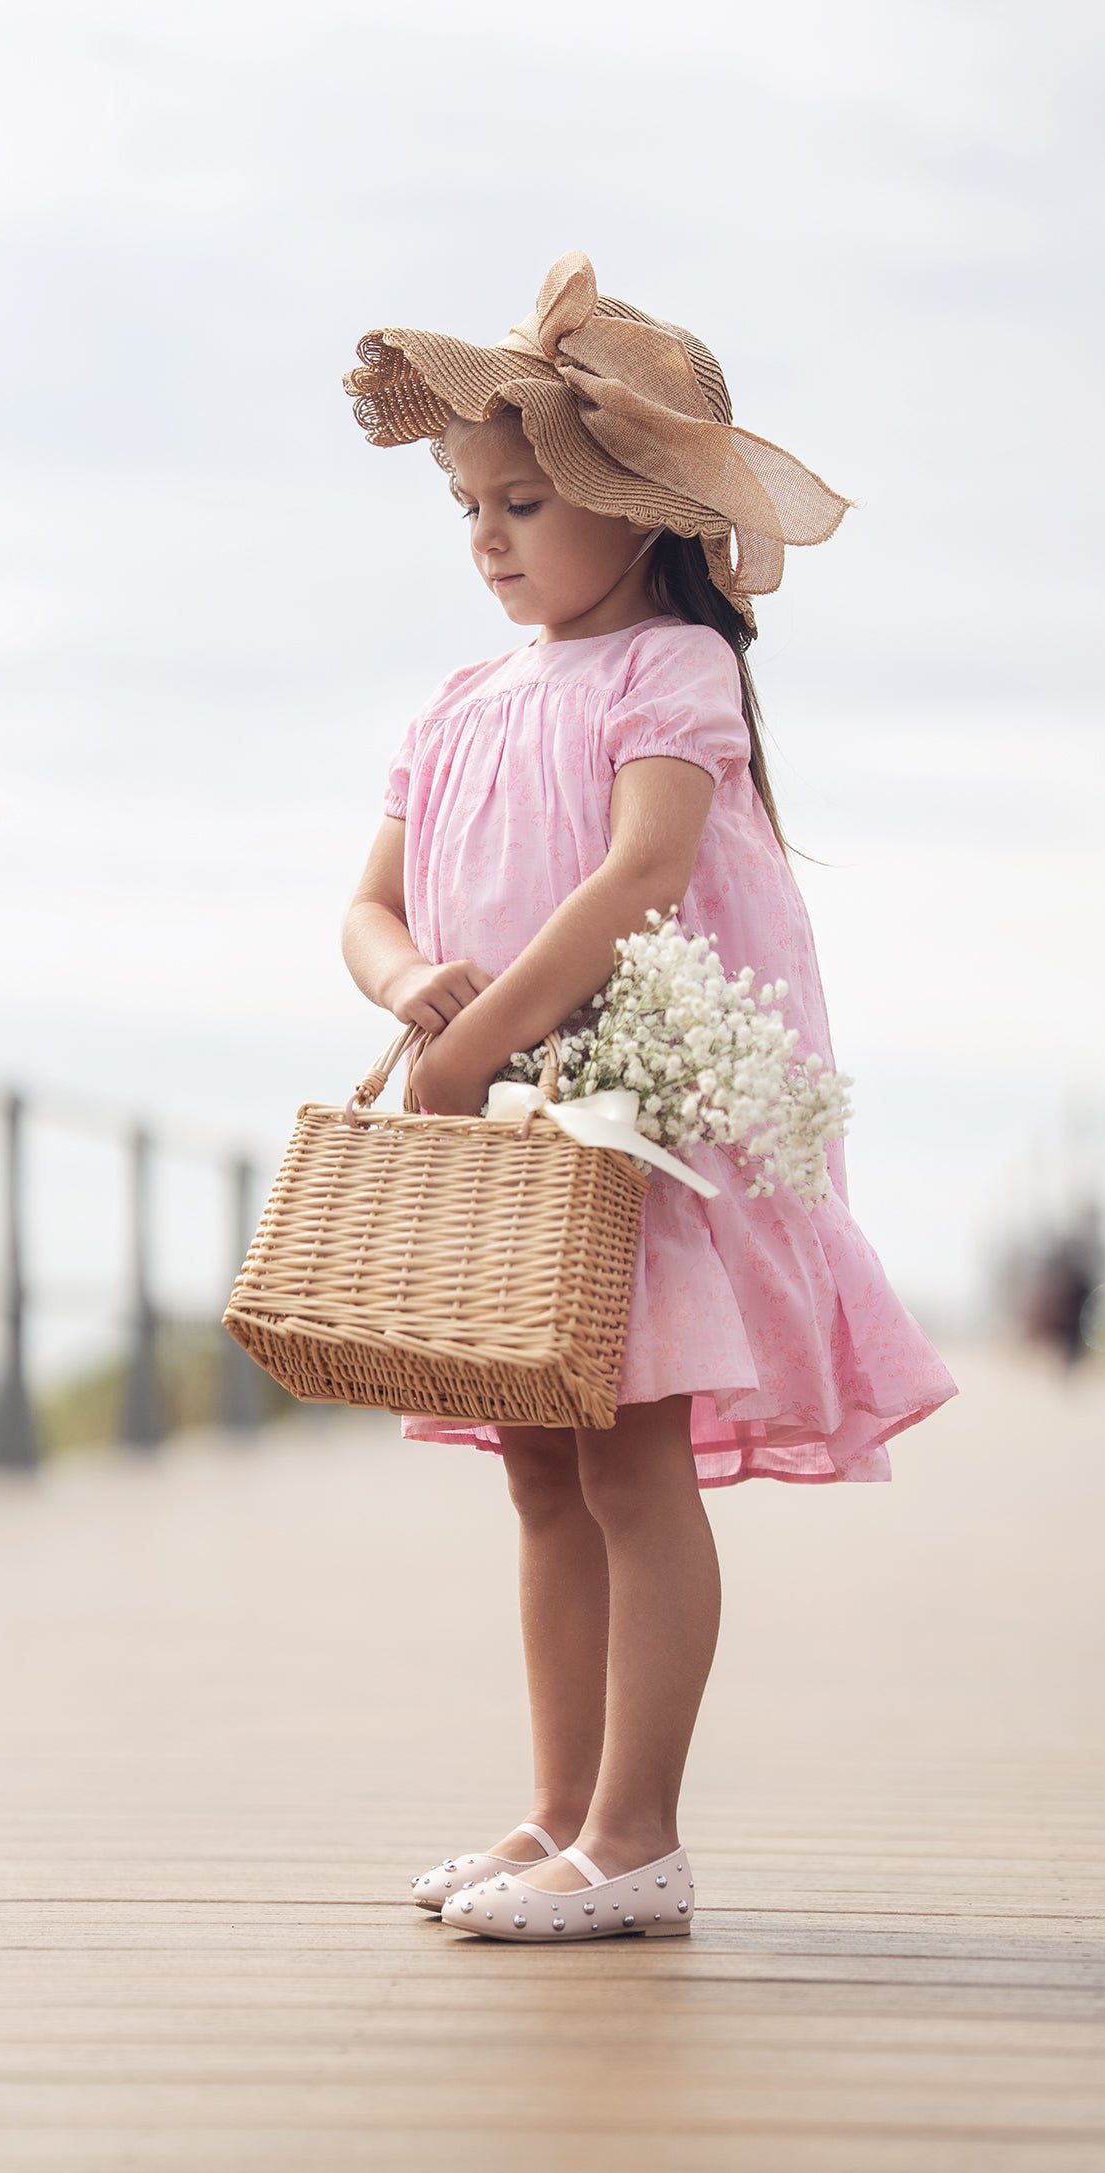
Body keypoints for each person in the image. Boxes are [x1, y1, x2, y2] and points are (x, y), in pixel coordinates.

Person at [339, 252, 958, 1943]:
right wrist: (412, 995)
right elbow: (369, 904)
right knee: (541, 1472)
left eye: (525, 502)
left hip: (637, 1121)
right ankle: (552, 1814)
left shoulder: (670, 673)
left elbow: (640, 874)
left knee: (628, 1466)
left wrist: (477, 1049)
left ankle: (639, 1833)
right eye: (469, 505)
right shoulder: (458, 702)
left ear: (642, 514)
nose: (487, 535)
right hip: (514, 1137)